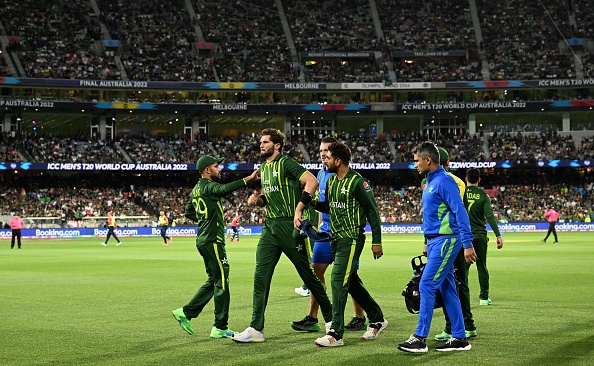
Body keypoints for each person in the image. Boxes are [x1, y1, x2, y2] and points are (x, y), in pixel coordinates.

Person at [232, 128, 332, 343]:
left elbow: (312, 182)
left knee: (309, 277)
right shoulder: (263, 168)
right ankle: (256, 328)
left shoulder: (287, 163)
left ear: (277, 146)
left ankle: (332, 321)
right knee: (260, 278)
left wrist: (299, 208)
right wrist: (257, 201)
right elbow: (267, 198)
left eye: (266, 142)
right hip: (270, 228)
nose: (261, 145)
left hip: (291, 226)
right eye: (261, 142)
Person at [398, 141, 476, 353]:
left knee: (426, 285)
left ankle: (420, 338)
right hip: (435, 242)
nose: (414, 165)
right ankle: (460, 337)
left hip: (446, 240)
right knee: (447, 287)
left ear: (428, 160)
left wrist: (468, 244)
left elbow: (460, 212)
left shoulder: (444, 181)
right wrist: (426, 242)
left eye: (416, 161)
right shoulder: (431, 181)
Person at [172, 155, 259, 338]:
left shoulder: (196, 189)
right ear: (207, 170)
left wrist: (206, 219)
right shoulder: (210, 187)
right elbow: (224, 189)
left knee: (214, 280)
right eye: (216, 166)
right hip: (213, 241)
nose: (219, 169)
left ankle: (186, 313)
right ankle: (220, 326)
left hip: (204, 240)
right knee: (222, 282)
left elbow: (189, 212)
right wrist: (248, 179)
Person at [310, 141, 387, 347]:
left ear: (338, 160)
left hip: (351, 238)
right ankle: (377, 318)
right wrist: (311, 202)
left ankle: (335, 332)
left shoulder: (357, 182)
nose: (324, 159)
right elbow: (328, 206)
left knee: (337, 278)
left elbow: (372, 211)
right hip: (335, 239)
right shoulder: (333, 181)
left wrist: (376, 241)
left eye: (328, 156)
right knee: (350, 280)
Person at [291, 137, 367, 333]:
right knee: (316, 273)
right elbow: (320, 205)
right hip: (325, 232)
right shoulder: (320, 174)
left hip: (345, 232)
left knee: (350, 277)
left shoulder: (346, 177)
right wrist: (318, 227)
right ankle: (313, 317)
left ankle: (360, 317)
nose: (323, 153)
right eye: (321, 150)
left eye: (327, 150)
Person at [431, 148, 478, 340]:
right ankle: (464, 325)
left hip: (448, 238)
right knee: (457, 283)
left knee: (450, 282)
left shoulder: (439, 181)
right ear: (448, 162)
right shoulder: (456, 181)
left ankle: (456, 326)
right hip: (453, 238)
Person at [464, 168, 504, 306]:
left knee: (463, 268)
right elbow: (490, 216)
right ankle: (484, 298)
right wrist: (498, 235)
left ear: (466, 179)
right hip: (480, 235)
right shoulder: (483, 196)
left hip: (464, 237)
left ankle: (462, 297)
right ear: (479, 179)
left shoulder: (460, 194)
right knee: (481, 266)